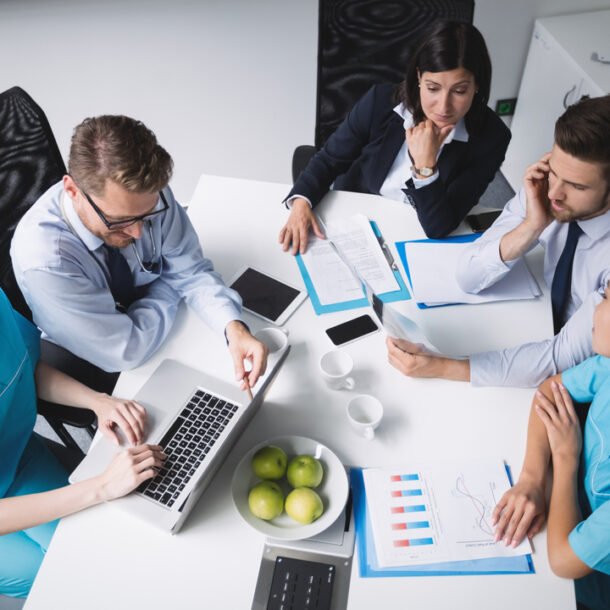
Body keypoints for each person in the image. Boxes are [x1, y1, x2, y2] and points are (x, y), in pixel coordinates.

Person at [11, 115, 267, 391]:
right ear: (73, 190)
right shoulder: (45, 263)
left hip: (156, 325)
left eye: (147, 216)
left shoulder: (145, 194)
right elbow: (126, 351)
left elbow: (191, 271)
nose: (138, 233)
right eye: (119, 220)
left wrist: (233, 327)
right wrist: (170, 281)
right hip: (95, 353)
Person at [387, 94, 610, 388]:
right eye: (554, 171)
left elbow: (561, 356)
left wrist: (443, 366)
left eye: (577, 186)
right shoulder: (547, 190)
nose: (555, 192)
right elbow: (469, 276)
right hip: (536, 322)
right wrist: (532, 225)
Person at [279, 20, 511, 253]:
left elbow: (438, 227)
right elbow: (329, 159)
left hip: (417, 234)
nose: (443, 106)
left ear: (477, 85)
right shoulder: (380, 102)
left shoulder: (492, 138)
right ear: (419, 77)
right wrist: (300, 202)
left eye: (459, 91)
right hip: (360, 216)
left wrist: (425, 167)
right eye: (433, 88)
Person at [0, 287, 165, 598]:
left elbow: (26, 367)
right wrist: (102, 486)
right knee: (63, 579)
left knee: (98, 547)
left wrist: (97, 401)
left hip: (16, 454)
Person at [490, 282, 610, 610]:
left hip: (594, 577)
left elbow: (563, 562)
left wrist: (565, 459)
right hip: (574, 504)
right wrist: (532, 478)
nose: (595, 307)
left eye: (607, 298)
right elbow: (549, 391)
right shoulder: (607, 366)